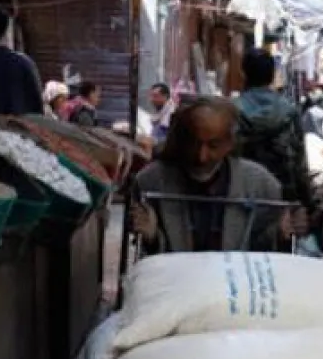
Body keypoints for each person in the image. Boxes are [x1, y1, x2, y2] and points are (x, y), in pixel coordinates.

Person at [130, 96, 306, 254]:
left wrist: (281, 233)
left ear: (230, 142)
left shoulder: (261, 185)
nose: (201, 156)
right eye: (194, 143)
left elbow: (263, 250)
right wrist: (152, 236)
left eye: (213, 146)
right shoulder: (151, 182)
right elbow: (146, 260)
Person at [233, 48, 315, 212]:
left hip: (241, 194)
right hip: (281, 196)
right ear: (272, 75)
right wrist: (308, 202)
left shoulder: (231, 110)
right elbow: (299, 163)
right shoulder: (289, 111)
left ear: (244, 73)